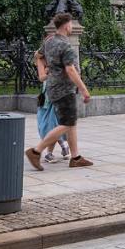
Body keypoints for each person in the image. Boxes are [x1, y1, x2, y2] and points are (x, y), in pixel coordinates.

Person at [26, 13, 93, 170]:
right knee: (66, 123)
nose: (72, 27)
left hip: (53, 88)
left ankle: (75, 157)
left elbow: (37, 56)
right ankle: (36, 151)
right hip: (64, 89)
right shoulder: (65, 46)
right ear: (66, 26)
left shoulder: (49, 41)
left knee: (71, 122)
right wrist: (84, 89)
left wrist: (44, 71)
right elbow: (70, 69)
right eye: (71, 24)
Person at [32, 43, 71, 163]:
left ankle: (52, 151)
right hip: (48, 94)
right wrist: (50, 71)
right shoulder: (40, 59)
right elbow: (41, 77)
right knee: (48, 124)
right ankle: (61, 146)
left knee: (56, 122)